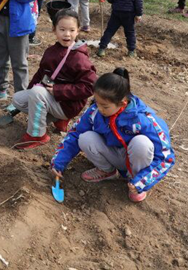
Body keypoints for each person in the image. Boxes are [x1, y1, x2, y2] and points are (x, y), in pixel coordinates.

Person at [51, 68, 175, 203]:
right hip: (113, 155)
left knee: (142, 143)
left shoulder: (144, 119)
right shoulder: (95, 112)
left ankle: (135, 181)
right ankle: (107, 171)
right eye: (97, 103)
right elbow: (75, 134)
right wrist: (59, 162)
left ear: (123, 103)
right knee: (85, 137)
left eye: (105, 106)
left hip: (137, 161)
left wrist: (143, 181)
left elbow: (166, 157)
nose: (99, 109)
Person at [9, 9, 97, 149]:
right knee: (18, 99)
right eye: (62, 29)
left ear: (78, 31)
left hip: (67, 104)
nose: (67, 34)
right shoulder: (51, 51)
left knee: (37, 93)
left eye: (71, 30)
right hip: (51, 97)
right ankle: (58, 120)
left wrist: (59, 90)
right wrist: (31, 91)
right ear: (54, 30)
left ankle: (37, 135)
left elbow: (90, 87)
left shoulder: (80, 58)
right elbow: (41, 74)